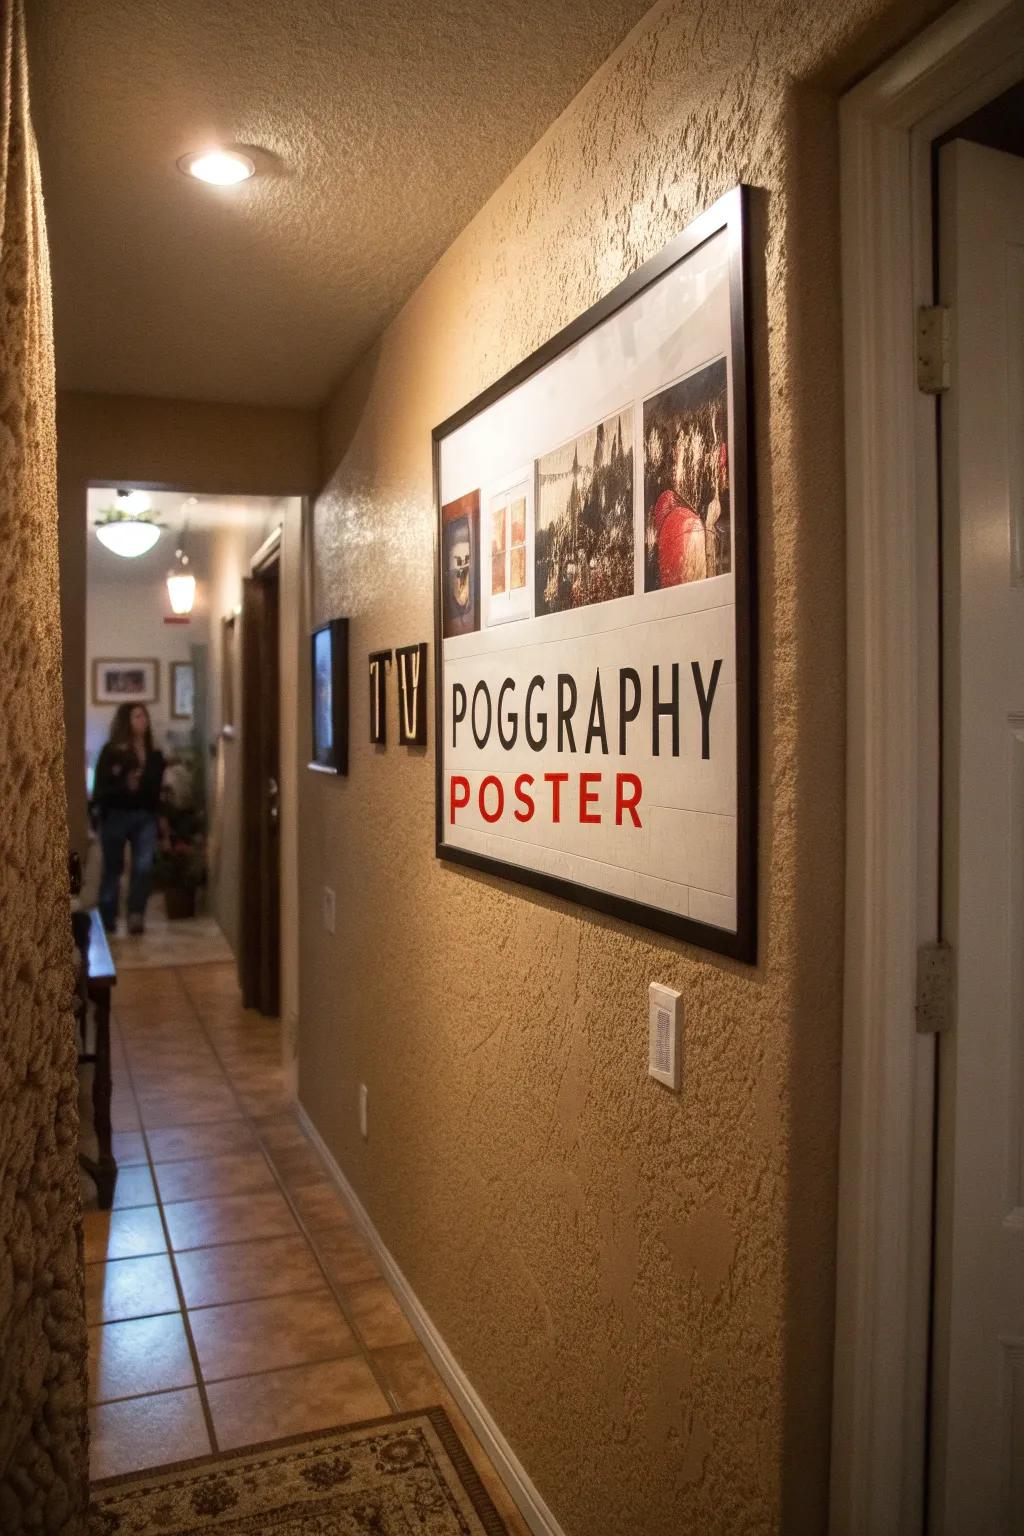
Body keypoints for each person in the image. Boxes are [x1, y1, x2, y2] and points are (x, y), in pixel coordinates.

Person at [93, 703, 166, 935]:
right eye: (137, 715)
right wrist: (125, 785)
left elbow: (155, 791)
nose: (143, 719)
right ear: (126, 720)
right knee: (113, 868)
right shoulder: (111, 751)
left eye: (144, 715)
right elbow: (101, 790)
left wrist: (160, 816)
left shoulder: (154, 754)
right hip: (116, 814)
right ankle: (108, 917)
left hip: (144, 816)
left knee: (143, 867)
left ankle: (136, 915)